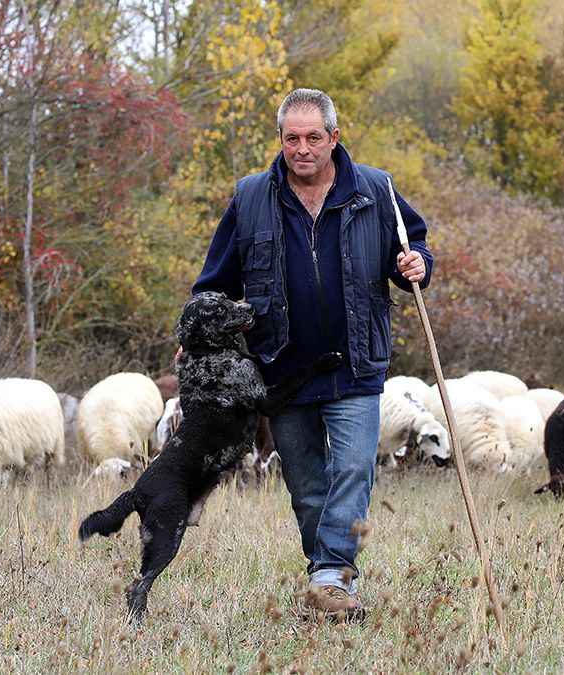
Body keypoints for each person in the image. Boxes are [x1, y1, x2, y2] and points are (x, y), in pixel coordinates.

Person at [191, 88, 433, 620]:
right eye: (292, 138)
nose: (302, 148)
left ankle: (331, 577)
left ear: (334, 138)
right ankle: (328, 574)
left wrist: (416, 265)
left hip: (355, 361)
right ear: (280, 139)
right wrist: (198, 334)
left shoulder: (375, 189)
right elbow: (213, 283)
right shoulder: (251, 197)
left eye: (313, 137)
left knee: (353, 470)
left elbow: (410, 247)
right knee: (305, 484)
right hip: (281, 368)